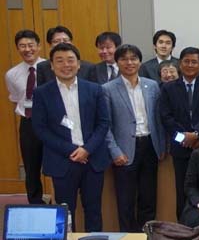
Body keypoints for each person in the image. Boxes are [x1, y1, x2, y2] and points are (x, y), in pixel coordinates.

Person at [31, 43, 110, 232]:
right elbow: (40, 129)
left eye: (70, 60)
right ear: (51, 65)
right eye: (59, 60)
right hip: (62, 160)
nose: (66, 65)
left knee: (93, 210)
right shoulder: (42, 93)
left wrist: (86, 149)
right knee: (66, 212)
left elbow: (103, 123)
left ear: (79, 64)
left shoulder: (94, 89)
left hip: (92, 160)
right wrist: (72, 150)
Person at [103, 44, 166, 232]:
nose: (129, 62)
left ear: (140, 61)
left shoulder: (151, 85)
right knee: (125, 200)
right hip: (124, 150)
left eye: (133, 58)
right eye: (124, 59)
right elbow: (105, 125)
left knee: (148, 198)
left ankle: (146, 234)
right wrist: (114, 151)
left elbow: (158, 119)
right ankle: (128, 235)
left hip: (149, 146)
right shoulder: (107, 89)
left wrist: (161, 146)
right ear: (117, 62)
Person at [159, 47, 199, 219]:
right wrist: (184, 138)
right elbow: (166, 119)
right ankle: (184, 225)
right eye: (186, 61)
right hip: (180, 149)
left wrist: (196, 135)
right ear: (180, 64)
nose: (190, 65)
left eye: (194, 62)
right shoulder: (168, 88)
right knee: (182, 189)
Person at [5, 29, 46, 204]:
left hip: (51, 122)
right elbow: (16, 100)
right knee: (31, 167)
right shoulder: (12, 74)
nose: (27, 49)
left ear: (39, 46)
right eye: (22, 46)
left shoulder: (50, 67)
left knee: (58, 165)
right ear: (17, 48)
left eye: (31, 45)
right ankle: (36, 203)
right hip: (28, 123)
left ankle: (61, 203)